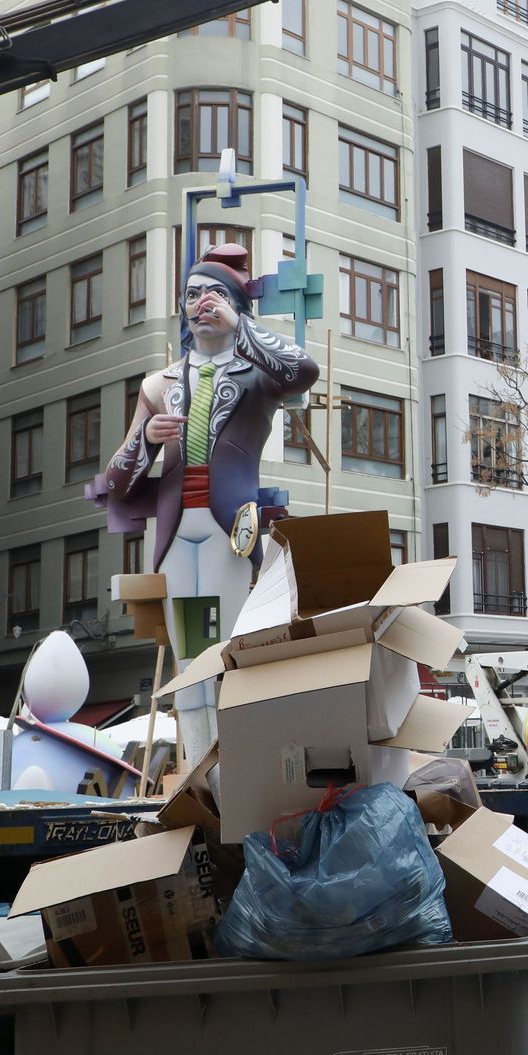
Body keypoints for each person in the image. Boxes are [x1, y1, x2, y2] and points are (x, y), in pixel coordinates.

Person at [96, 243, 318, 769]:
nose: (202, 304)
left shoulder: (254, 374)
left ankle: (241, 766)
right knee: (189, 653)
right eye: (193, 295)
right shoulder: (159, 383)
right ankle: (200, 766)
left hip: (228, 527)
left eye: (216, 294)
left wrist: (241, 327)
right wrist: (146, 438)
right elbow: (115, 482)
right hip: (177, 532)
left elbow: (302, 370)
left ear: (238, 303)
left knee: (231, 647)